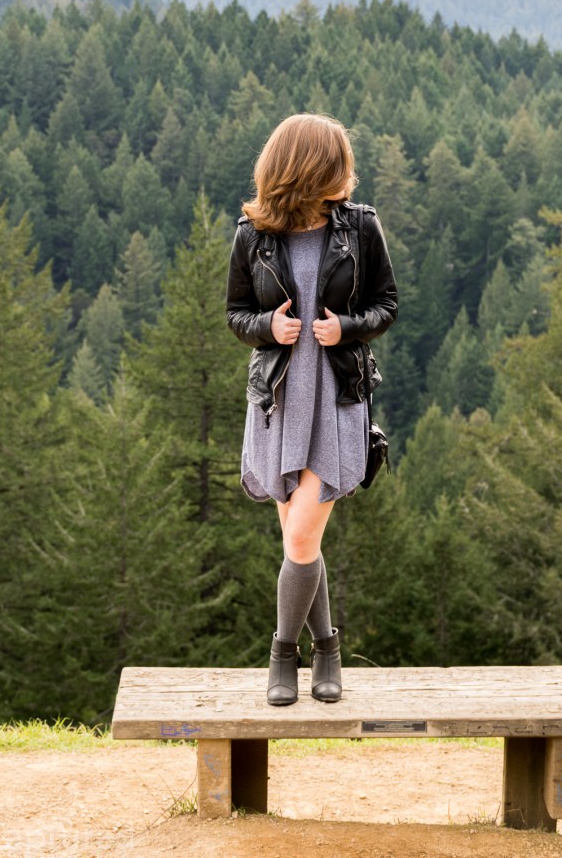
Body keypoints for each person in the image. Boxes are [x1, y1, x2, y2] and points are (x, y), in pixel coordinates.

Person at [226, 114, 397, 706]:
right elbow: (236, 314)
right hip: (276, 401)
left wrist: (345, 327)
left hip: (337, 397)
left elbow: (386, 304)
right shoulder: (253, 234)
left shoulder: (361, 228)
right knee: (301, 545)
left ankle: (282, 655)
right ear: (307, 169)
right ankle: (327, 649)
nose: (348, 175)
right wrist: (266, 326)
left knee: (299, 539)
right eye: (338, 164)